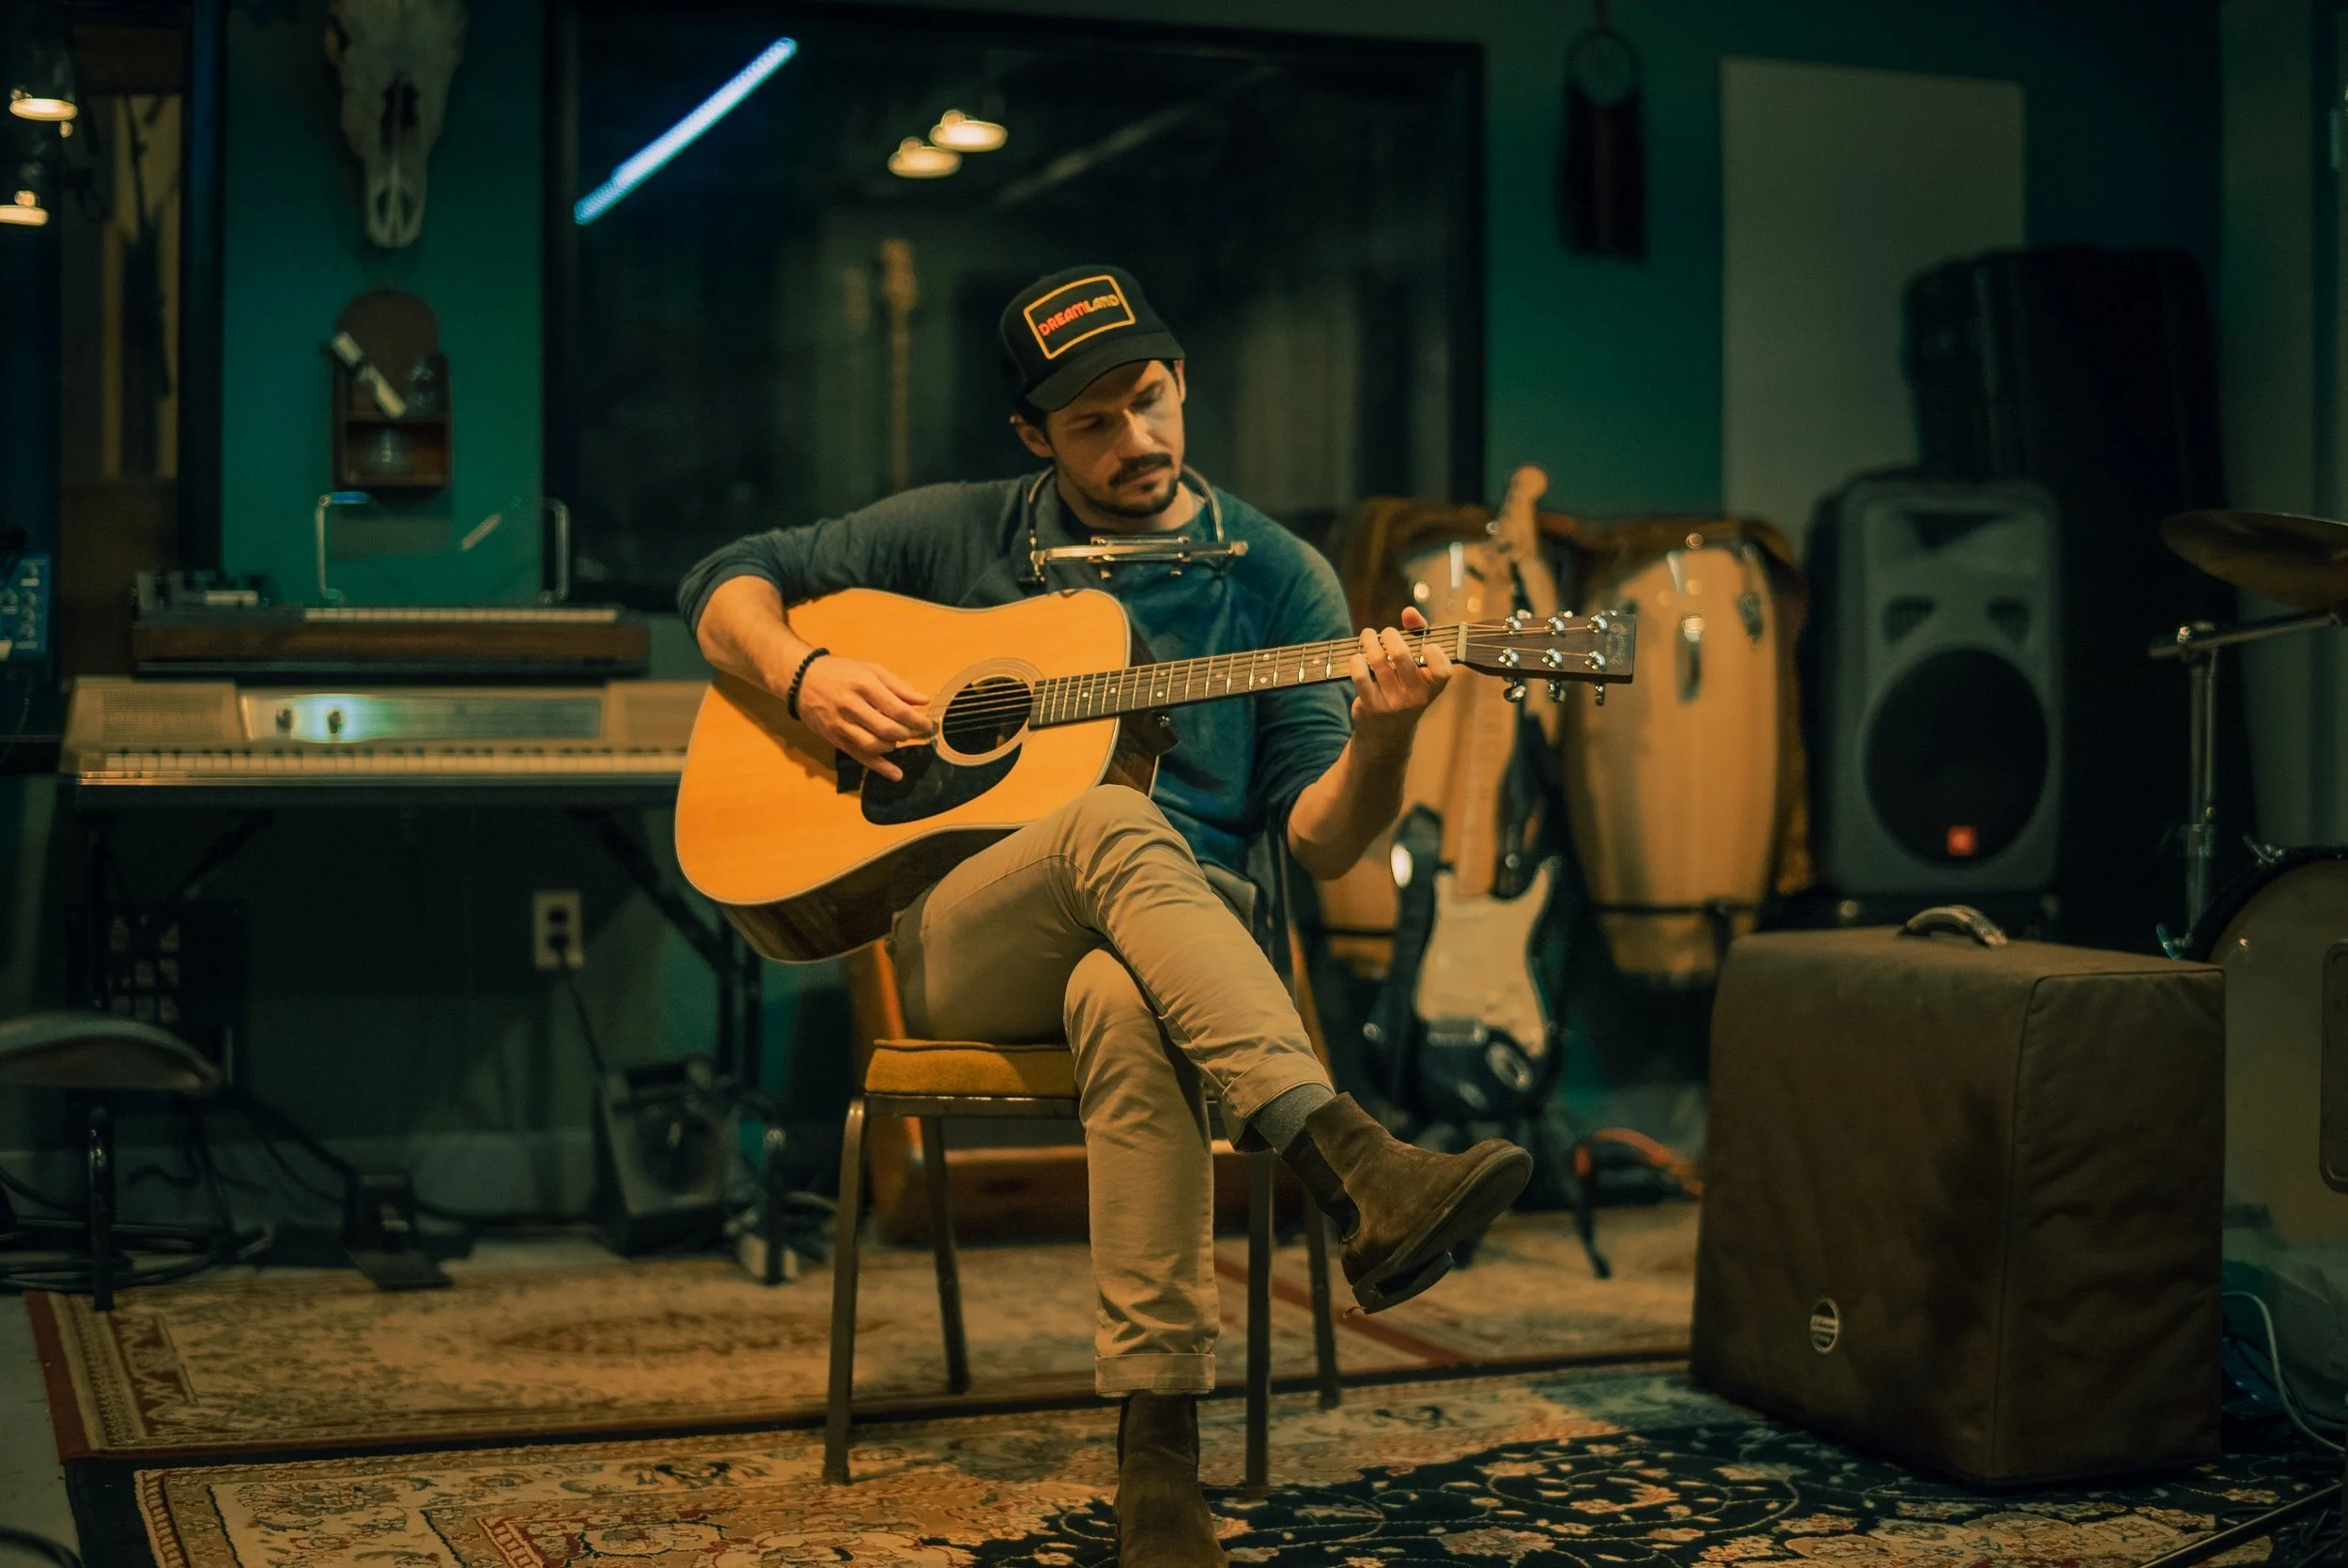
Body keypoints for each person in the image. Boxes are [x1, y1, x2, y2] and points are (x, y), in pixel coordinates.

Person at [681, 266, 1530, 1567]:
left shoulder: (1281, 579)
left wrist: (1385, 742)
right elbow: (732, 576)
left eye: (1150, 399)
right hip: (980, 935)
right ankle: (1357, 1160)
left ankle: (1158, 1459)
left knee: (1132, 1003)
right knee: (1115, 821)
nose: (1137, 440)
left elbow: (1317, 835)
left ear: (1182, 380)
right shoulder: (958, 532)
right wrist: (805, 675)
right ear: (1033, 437)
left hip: (1191, 958)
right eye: (1092, 422)